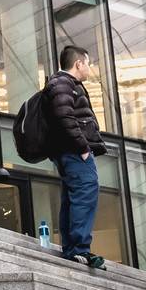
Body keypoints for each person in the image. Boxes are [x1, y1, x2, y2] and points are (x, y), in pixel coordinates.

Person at [45, 45, 107, 269]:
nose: (89, 68)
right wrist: (82, 148)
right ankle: (79, 249)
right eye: (88, 63)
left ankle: (73, 249)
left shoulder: (63, 84)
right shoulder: (63, 84)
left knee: (73, 198)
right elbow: (64, 116)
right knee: (84, 194)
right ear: (78, 64)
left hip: (68, 151)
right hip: (73, 151)